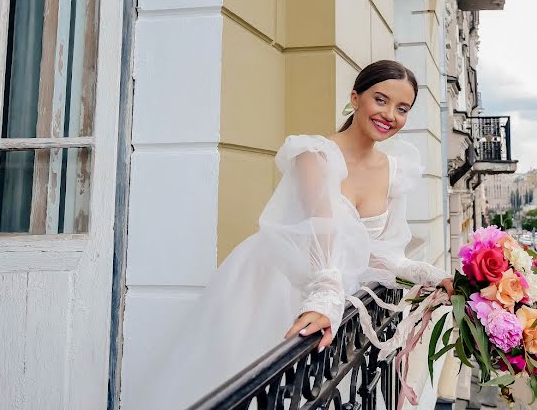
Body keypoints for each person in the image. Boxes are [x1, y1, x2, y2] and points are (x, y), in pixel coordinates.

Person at [133, 60, 454, 409]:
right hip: (275, 284)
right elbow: (323, 239)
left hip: (333, 293)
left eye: (402, 108)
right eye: (380, 100)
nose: (390, 114)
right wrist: (324, 303)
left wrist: (438, 277)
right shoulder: (314, 155)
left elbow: (385, 254)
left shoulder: (396, 171)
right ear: (355, 97)